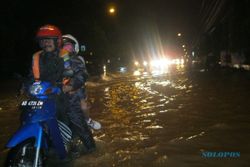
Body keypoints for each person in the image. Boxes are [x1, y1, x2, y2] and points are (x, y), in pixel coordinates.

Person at [31, 25, 96, 155]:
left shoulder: (67, 57)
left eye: (49, 40)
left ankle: (92, 150)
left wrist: (70, 86)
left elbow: (81, 74)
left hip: (67, 96)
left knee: (76, 119)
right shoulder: (37, 58)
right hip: (46, 97)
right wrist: (25, 86)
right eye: (43, 40)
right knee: (31, 116)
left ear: (57, 41)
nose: (46, 43)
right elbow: (30, 76)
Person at [62, 34, 101, 130]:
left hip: (77, 89)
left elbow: (82, 75)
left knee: (83, 107)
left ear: (74, 48)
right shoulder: (57, 60)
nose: (66, 48)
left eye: (69, 45)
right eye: (64, 46)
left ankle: (88, 120)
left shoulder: (79, 59)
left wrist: (72, 86)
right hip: (61, 90)